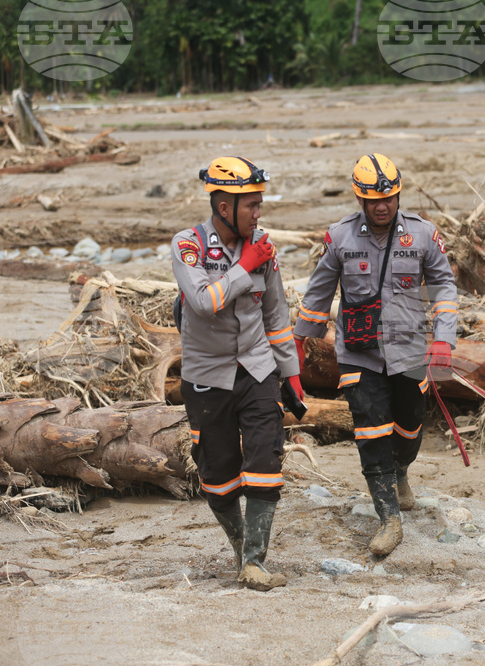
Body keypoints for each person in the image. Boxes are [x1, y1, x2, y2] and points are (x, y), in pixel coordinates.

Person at [294, 153, 458, 556]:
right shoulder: (340, 238)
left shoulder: (422, 235)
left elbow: (444, 287)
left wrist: (443, 339)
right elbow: (318, 292)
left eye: (389, 197)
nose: (382, 205)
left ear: (398, 194)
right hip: (358, 353)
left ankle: (401, 469)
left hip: (409, 351)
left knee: (409, 426)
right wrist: (299, 345)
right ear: (360, 200)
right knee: (370, 432)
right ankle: (389, 519)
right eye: (373, 200)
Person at [172, 156, 303, 590]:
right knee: (218, 475)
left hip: (257, 366)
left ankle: (255, 561)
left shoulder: (262, 246)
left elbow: (276, 313)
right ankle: (239, 544)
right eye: (251, 205)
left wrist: (292, 375)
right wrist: (244, 267)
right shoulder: (187, 245)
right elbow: (204, 302)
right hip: (206, 376)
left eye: (260, 204)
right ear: (224, 207)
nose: (258, 213)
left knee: (266, 457)